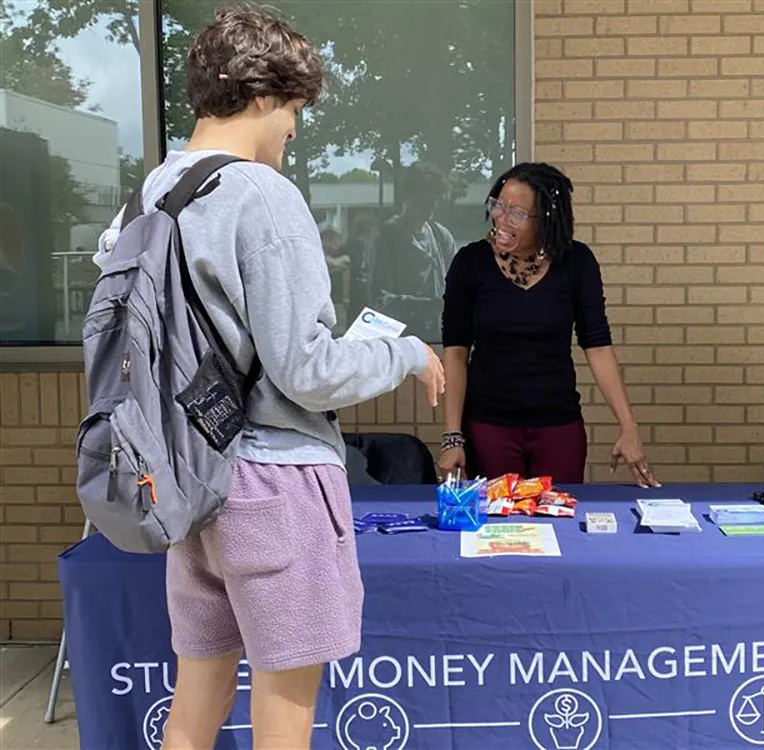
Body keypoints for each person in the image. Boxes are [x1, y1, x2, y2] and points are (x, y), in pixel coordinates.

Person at [93, 9, 444, 749]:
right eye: (294, 109)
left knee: (194, 707)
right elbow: (306, 370)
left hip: (190, 481)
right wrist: (407, 353)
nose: (293, 129)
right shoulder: (261, 195)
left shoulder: (148, 198)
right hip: (275, 486)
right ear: (261, 96)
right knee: (283, 719)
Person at [438, 162, 659, 488]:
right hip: (489, 426)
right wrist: (452, 437)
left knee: (559, 522)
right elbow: (456, 352)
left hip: (558, 426)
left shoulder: (577, 263)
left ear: (546, 220)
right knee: (499, 528)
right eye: (498, 205)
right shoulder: (470, 263)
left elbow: (597, 345)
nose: (501, 218)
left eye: (517, 213)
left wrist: (628, 426)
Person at [362, 161, 458, 340]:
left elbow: (459, 284)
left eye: (436, 198)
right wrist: (423, 306)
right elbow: (378, 299)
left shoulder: (441, 236)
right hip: (399, 345)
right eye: (426, 197)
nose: (433, 204)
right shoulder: (384, 238)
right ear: (406, 196)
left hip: (438, 341)